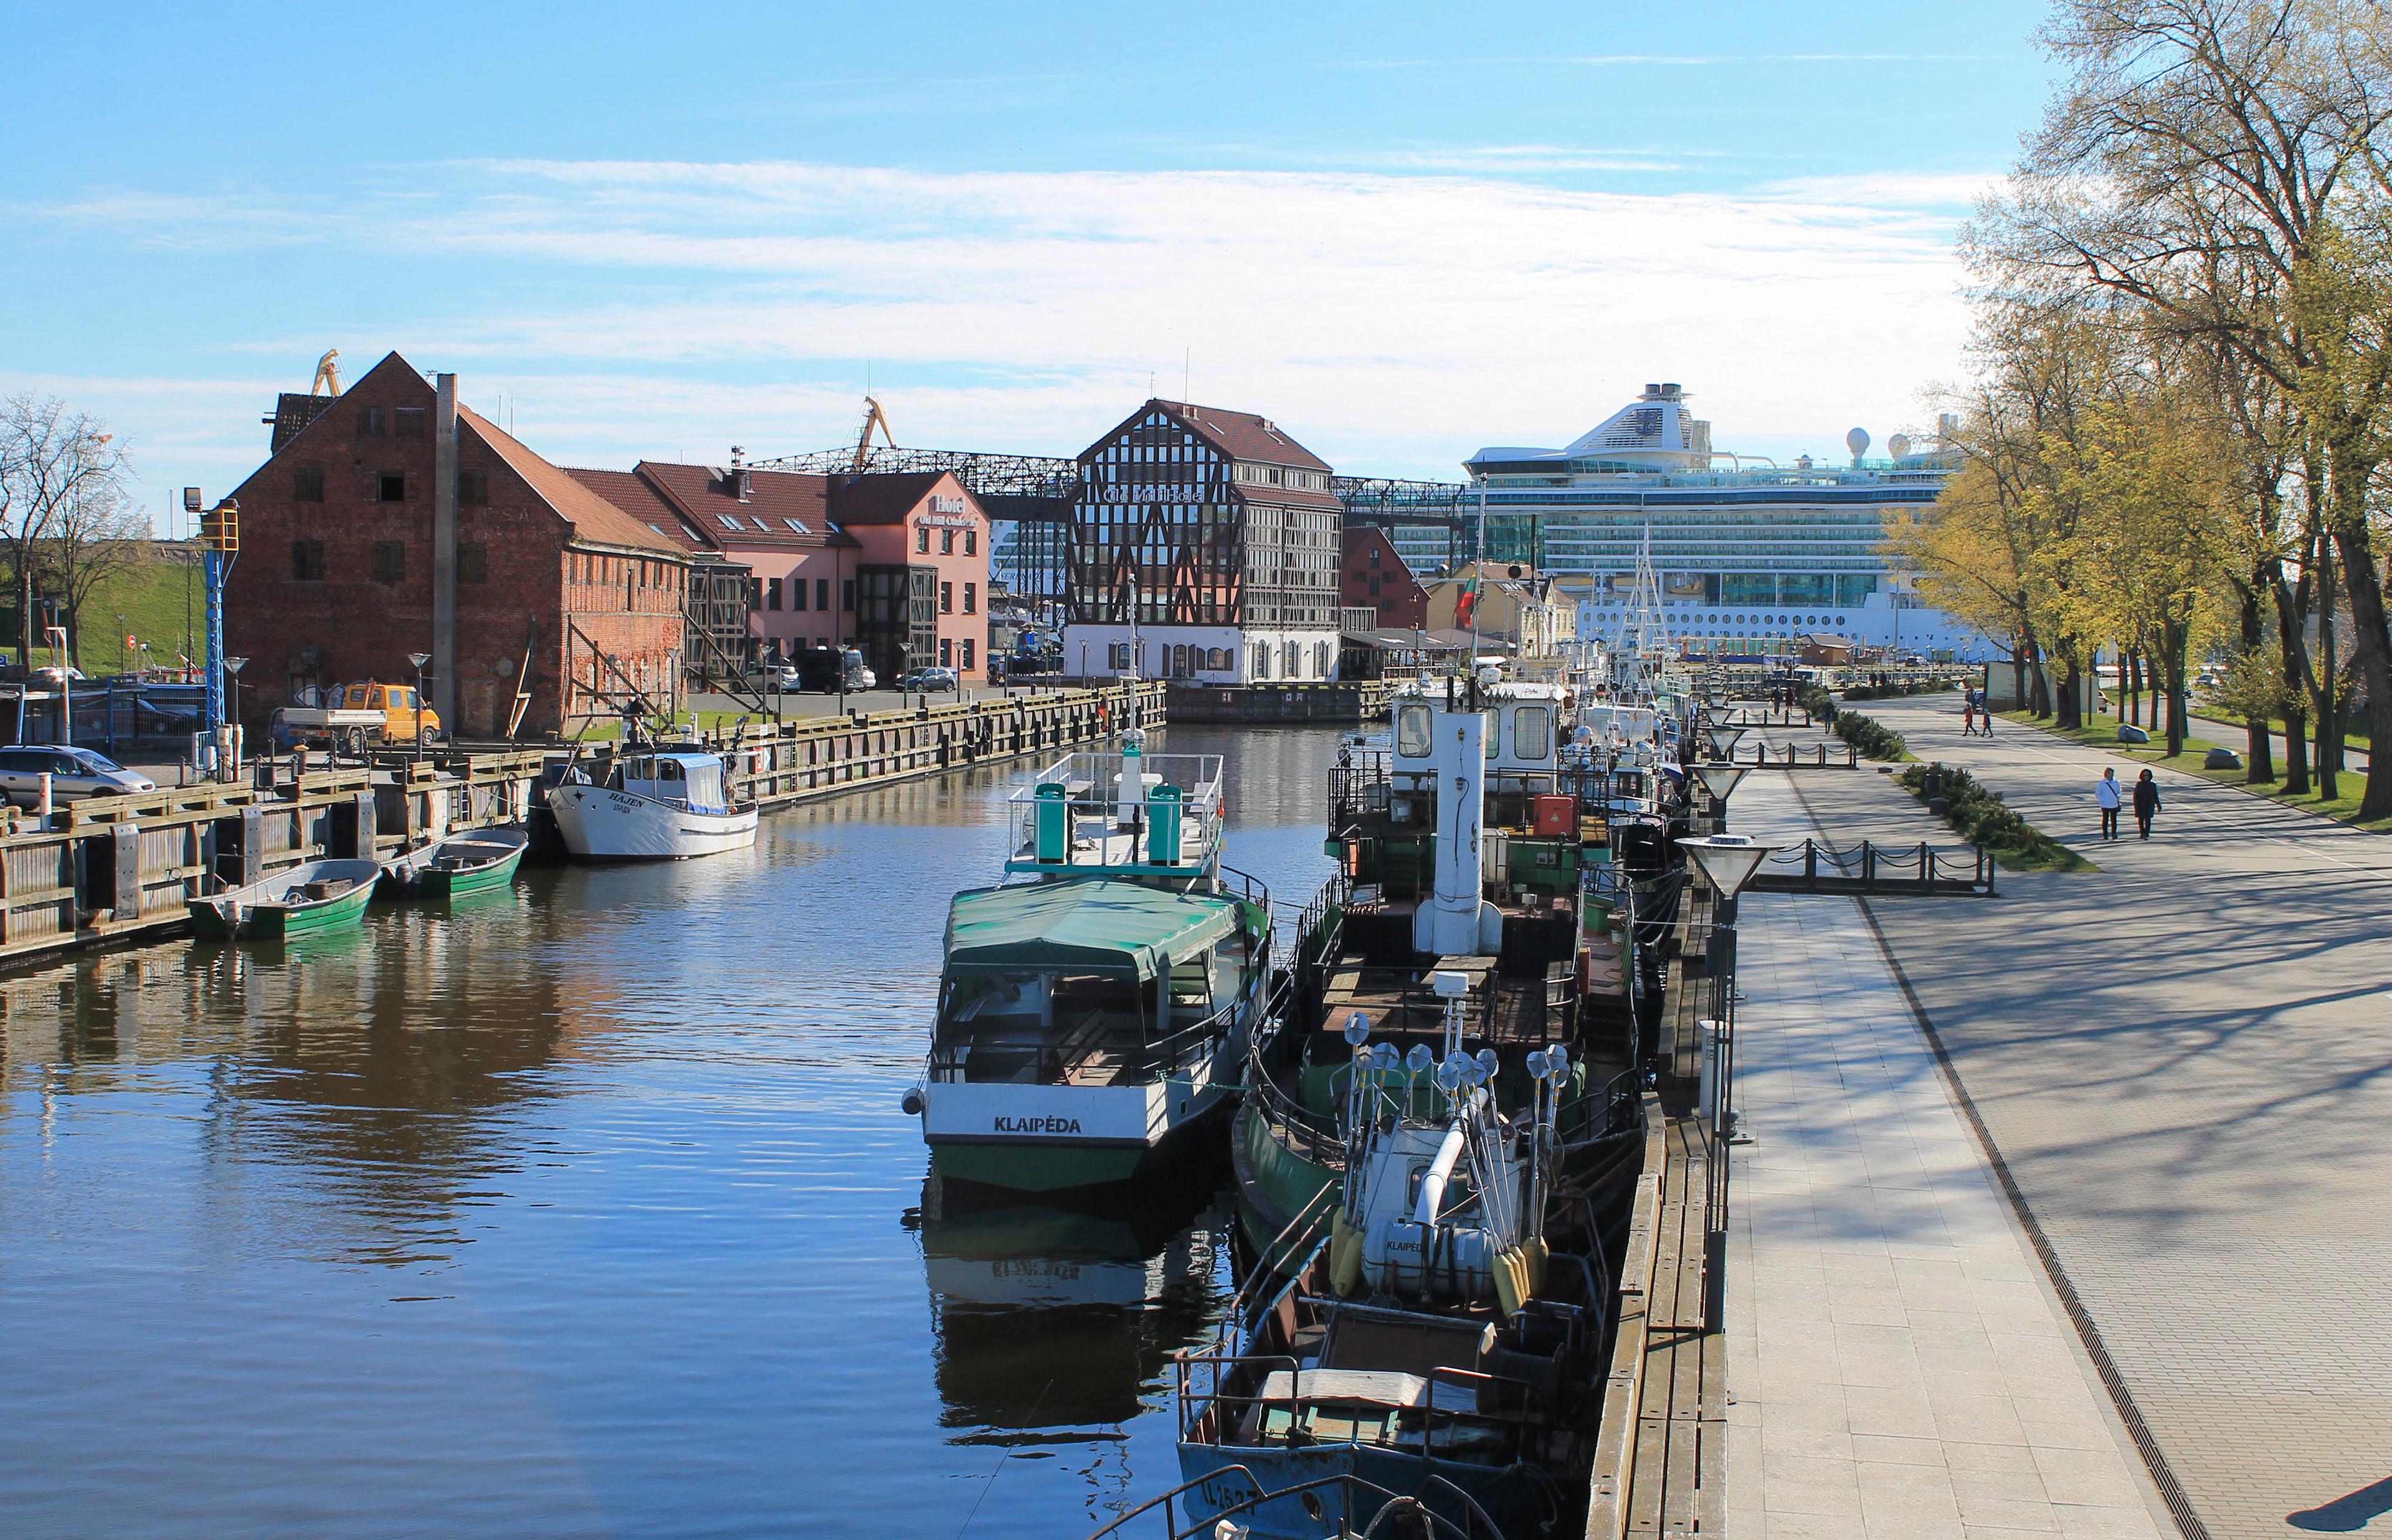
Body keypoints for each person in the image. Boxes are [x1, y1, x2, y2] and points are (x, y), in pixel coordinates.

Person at [2132, 768, 2161, 839]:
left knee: (2148, 819)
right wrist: (2136, 805)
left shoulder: (2152, 785)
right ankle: (2142, 833)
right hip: (2141, 804)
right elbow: (2136, 796)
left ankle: (2147, 833)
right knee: (2141, 819)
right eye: (2144, 775)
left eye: (2147, 775)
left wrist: (2158, 805)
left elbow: (2155, 795)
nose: (2146, 777)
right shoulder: (2139, 785)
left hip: (2150, 804)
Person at [2095, 767, 2122, 839]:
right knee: (2105, 820)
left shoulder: (2116, 782)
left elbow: (2119, 792)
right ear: (2105, 774)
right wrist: (2102, 799)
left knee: (2114, 820)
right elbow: (2097, 793)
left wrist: (2117, 797)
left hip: (2114, 804)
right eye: (2108, 773)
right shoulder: (2102, 783)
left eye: (2111, 773)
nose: (2110, 775)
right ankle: (2105, 834)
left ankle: (2114, 833)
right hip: (2105, 805)